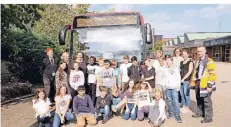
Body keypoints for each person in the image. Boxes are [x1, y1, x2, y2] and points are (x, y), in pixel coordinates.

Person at [190, 46, 216, 123]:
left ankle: (208, 117)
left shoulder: (209, 61)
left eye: (201, 51)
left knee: (207, 101)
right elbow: (196, 72)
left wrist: (209, 86)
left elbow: (212, 74)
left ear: (205, 51)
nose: (199, 53)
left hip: (205, 84)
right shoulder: (197, 60)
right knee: (199, 99)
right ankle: (200, 112)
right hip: (198, 82)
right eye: (198, 51)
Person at [164, 56, 182, 123]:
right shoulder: (165, 69)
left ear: (172, 61)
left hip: (174, 88)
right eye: (167, 61)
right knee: (169, 101)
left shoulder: (175, 68)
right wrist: (165, 86)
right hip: (167, 88)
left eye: (169, 61)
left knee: (176, 102)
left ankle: (177, 116)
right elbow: (165, 78)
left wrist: (178, 86)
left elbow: (178, 77)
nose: (167, 62)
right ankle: (171, 114)